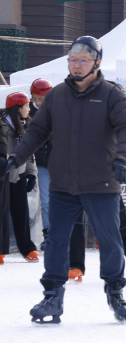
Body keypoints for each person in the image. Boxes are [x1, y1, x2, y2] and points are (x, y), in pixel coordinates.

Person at [6, 36, 126, 324]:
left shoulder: (111, 94)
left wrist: (123, 158)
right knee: (56, 240)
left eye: (83, 60)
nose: (77, 66)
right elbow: (37, 131)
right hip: (64, 182)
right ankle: (53, 295)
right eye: (73, 60)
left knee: (110, 238)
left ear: (97, 63)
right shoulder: (57, 96)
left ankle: (115, 290)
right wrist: (16, 156)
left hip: (102, 181)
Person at [2, 92, 38, 262]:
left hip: (19, 175)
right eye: (26, 106)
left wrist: (32, 174)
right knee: (2, 213)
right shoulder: (3, 126)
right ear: (18, 108)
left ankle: (27, 248)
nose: (29, 108)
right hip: (3, 176)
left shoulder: (25, 126)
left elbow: (30, 152)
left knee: (21, 212)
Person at [29, 78, 54, 238]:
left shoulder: (58, 111)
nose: (37, 102)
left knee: (63, 201)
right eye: (35, 98)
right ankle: (48, 233)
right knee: (45, 200)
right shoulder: (29, 113)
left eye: (41, 99)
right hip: (42, 164)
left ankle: (62, 233)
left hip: (60, 163)